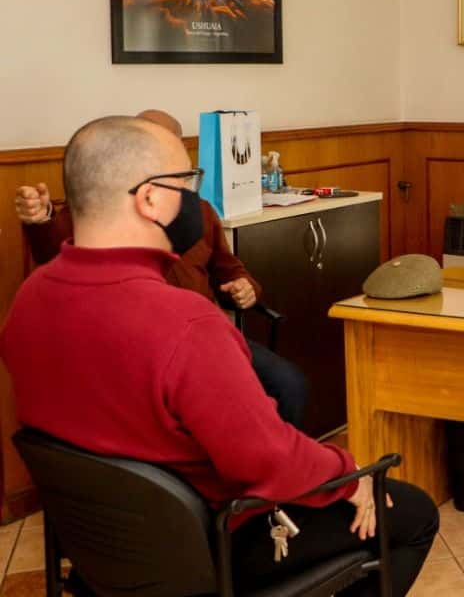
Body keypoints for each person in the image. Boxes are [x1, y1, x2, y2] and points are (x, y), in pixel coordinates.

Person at [1, 116, 438, 595]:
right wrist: (348, 476)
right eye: (186, 183)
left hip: (99, 547)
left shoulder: (30, 299)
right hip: (206, 546)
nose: (193, 198)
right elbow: (268, 462)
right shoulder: (187, 324)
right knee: (413, 514)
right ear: (149, 198)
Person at [13, 109, 309, 430]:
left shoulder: (199, 212)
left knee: (287, 383)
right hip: (139, 348)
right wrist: (42, 220)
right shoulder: (106, 210)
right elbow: (55, 252)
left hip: (208, 338)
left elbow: (230, 269)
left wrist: (244, 286)